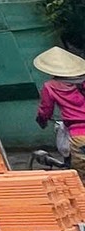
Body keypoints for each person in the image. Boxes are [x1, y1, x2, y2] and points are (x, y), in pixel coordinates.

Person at [34, 46, 85, 177]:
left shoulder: (51, 86)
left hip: (79, 135)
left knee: (80, 174)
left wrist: (42, 119)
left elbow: (46, 109)